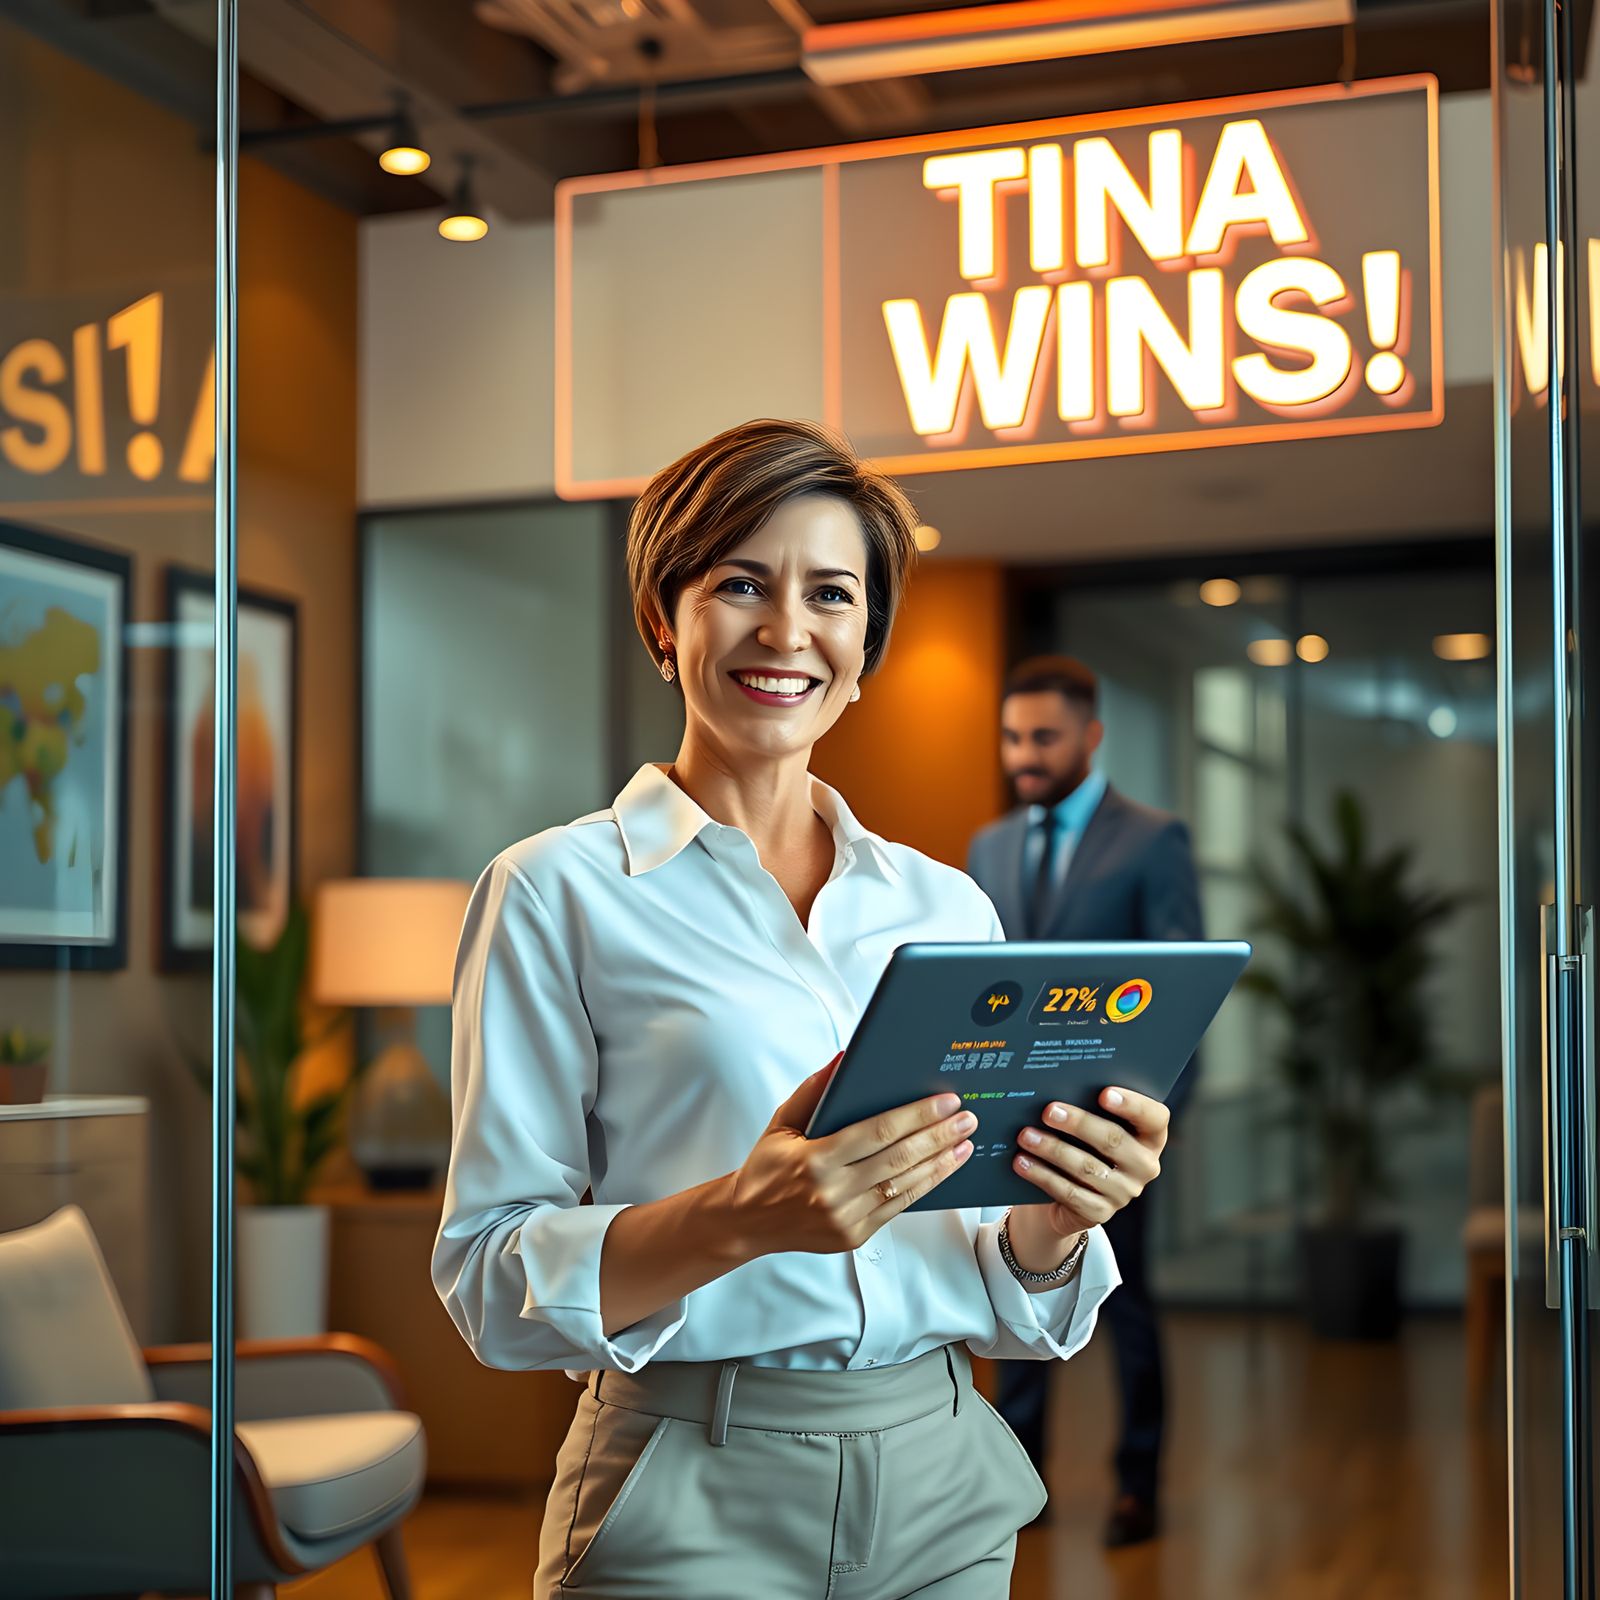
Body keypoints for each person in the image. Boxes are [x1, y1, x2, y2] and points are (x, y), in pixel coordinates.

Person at [432, 422, 1174, 1598]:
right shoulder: (554, 891)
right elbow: (487, 1278)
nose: (786, 630)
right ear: (661, 619)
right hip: (685, 1484)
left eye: (830, 593)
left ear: (865, 642)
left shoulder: (945, 903)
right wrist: (741, 1216)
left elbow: (992, 1270)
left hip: (940, 1479)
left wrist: (1057, 1216)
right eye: (740, 583)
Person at [966, 655, 1202, 1550]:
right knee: (1013, 1293)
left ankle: (1136, 1486)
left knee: (1130, 1313)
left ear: (1090, 737)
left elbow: (1183, 999)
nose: (1024, 754)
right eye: (1013, 737)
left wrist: (1145, 1131)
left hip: (1112, 1133)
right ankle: (1021, 1483)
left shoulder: (1152, 839)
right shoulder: (989, 846)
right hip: (1007, 1121)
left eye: (1043, 738)